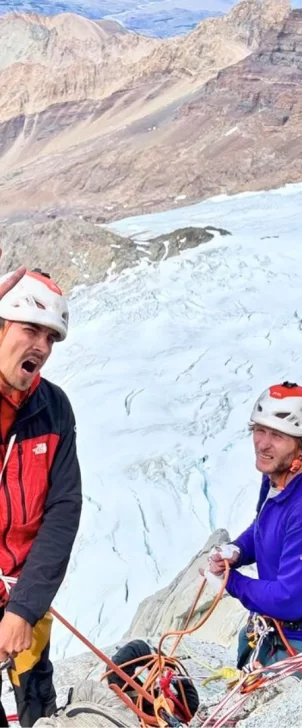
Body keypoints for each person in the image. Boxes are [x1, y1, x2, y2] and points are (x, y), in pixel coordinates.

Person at [202, 381, 302, 671]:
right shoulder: (278, 478)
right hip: (276, 633)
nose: (263, 443)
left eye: (277, 435)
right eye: (259, 430)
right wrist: (238, 550)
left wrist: (229, 582)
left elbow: (288, 600)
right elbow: (263, 527)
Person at [0, 266, 83, 726]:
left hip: (25, 594)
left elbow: (63, 509)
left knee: (37, 702)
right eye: (31, 329)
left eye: (50, 338)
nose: (42, 347)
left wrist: (24, 608)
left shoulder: (53, 409)